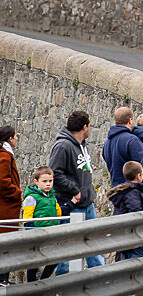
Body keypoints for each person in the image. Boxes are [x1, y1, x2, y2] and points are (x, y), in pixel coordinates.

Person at [49, 111, 105, 273]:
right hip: (71, 205)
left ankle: (101, 280)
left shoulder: (82, 145)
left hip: (87, 204)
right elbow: (55, 173)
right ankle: (64, 285)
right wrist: (74, 190)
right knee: (67, 249)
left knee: (93, 247)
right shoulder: (63, 146)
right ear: (85, 127)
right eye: (89, 126)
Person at [22, 166, 75, 282]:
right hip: (37, 235)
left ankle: (43, 279)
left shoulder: (52, 197)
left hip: (51, 233)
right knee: (34, 263)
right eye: (44, 181)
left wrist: (71, 203)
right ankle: (31, 284)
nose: (48, 184)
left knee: (55, 258)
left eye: (50, 181)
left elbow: (58, 213)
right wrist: (32, 234)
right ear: (36, 182)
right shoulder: (31, 198)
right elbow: (27, 219)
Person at [107, 161, 143, 260]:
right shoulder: (133, 192)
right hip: (133, 234)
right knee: (138, 260)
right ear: (139, 176)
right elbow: (135, 212)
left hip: (123, 233)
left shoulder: (124, 191)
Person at [0, 126, 22, 285]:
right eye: (15, 136)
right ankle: (2, 279)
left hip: (6, 208)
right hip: (6, 209)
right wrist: (16, 192)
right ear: (9, 139)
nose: (17, 138)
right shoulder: (5, 156)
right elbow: (2, 181)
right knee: (6, 245)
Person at [103, 107, 143, 186]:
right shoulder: (132, 140)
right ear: (130, 120)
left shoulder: (107, 142)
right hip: (130, 190)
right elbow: (142, 165)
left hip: (115, 189)